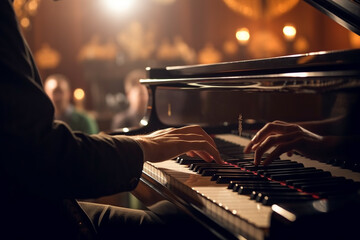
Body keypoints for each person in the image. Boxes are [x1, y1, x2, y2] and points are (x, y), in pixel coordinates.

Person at [0, 1, 223, 239]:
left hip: (28, 208)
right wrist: (143, 146)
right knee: (189, 227)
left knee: (180, 217)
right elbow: (44, 156)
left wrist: (139, 144)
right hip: (24, 221)